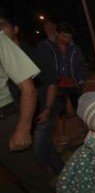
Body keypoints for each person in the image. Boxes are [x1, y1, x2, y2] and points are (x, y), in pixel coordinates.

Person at [0, 7, 64, 175]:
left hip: (43, 109)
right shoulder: (5, 59)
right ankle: (64, 172)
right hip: (22, 112)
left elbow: (51, 83)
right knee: (45, 145)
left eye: (2, 26)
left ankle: (46, 191)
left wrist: (47, 110)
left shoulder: (35, 54)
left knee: (37, 152)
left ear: (15, 29)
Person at [0, 31, 56, 193]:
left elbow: (30, 86)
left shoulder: (3, 42)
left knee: (34, 178)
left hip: (5, 120)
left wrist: (23, 128)